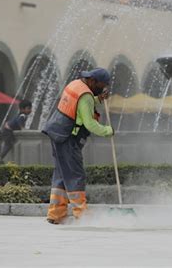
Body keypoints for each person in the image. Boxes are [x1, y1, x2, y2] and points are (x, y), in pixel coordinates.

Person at [42, 68, 114, 225]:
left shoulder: (75, 85)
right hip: (68, 137)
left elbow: (80, 106)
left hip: (56, 132)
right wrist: (107, 131)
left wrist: (99, 99)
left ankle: (56, 213)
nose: (103, 88)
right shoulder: (86, 96)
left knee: (61, 173)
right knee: (75, 174)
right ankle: (81, 214)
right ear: (93, 81)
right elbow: (89, 123)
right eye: (102, 85)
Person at [0, 99, 32, 165]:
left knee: (12, 142)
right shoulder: (22, 116)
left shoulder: (21, 115)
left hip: (7, 129)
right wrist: (22, 129)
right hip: (8, 130)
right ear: (22, 109)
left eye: (30, 108)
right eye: (28, 108)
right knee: (8, 145)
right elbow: (19, 122)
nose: (30, 110)